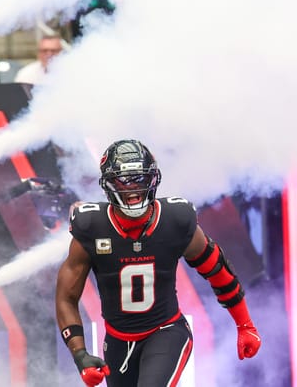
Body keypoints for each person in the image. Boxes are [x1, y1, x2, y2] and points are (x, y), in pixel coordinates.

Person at [56, 140, 261, 387]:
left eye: (139, 178)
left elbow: (218, 270)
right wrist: (79, 354)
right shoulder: (91, 226)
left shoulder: (174, 219)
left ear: (152, 179)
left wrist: (245, 325)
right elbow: (66, 297)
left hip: (166, 331)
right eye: (123, 180)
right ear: (108, 183)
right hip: (118, 342)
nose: (132, 188)